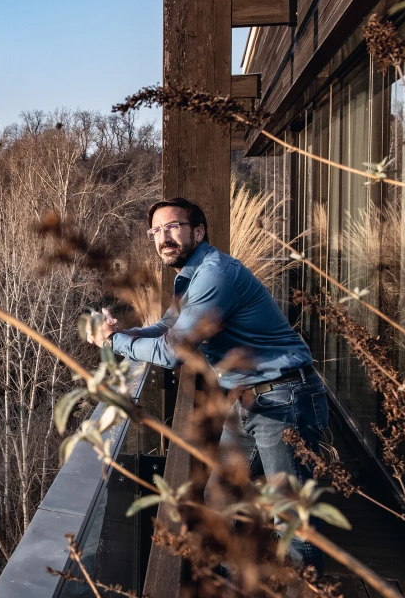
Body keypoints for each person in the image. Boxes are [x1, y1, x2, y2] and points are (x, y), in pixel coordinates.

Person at [87, 197, 327, 571]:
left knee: (292, 519)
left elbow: (173, 352)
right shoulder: (192, 275)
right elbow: (167, 327)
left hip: (283, 400)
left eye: (173, 227)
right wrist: (126, 332)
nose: (163, 237)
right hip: (248, 401)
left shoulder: (216, 273)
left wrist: (114, 342)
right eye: (156, 231)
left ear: (197, 232)